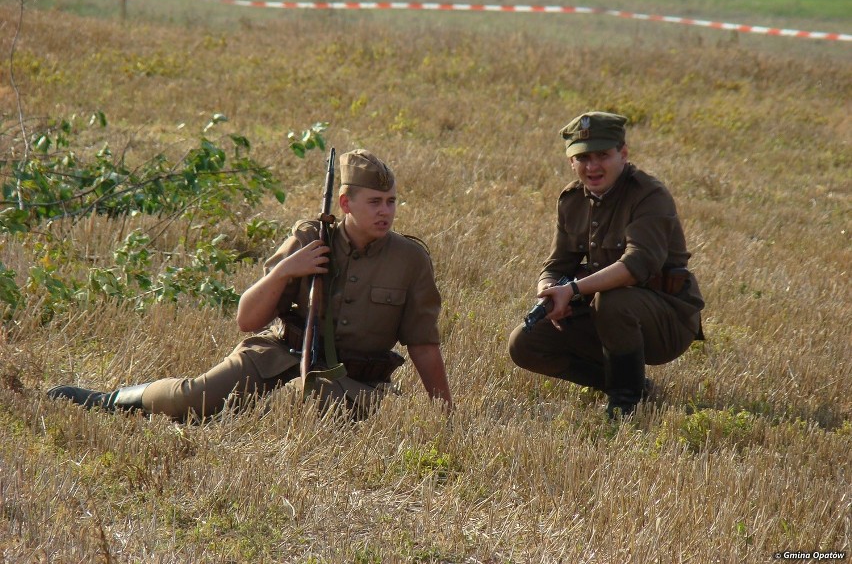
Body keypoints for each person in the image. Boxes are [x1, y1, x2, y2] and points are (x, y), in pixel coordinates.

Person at [48, 149, 453, 419]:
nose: (386, 212)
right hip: (282, 356)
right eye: (375, 202)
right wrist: (285, 271)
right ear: (345, 204)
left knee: (301, 403)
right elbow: (247, 319)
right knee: (195, 398)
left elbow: (423, 344)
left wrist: (444, 417)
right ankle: (114, 400)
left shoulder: (410, 259)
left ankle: (253, 415)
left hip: (352, 382)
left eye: (392, 202)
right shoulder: (310, 237)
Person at [508, 111, 704, 418]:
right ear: (570, 162)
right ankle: (631, 383)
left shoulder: (649, 195)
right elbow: (557, 264)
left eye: (603, 155)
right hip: (606, 315)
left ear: (623, 154)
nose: (593, 166)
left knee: (612, 300)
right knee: (525, 343)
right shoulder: (572, 200)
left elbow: (638, 264)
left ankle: (626, 404)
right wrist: (548, 292)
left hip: (667, 319)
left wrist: (572, 289)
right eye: (583, 157)